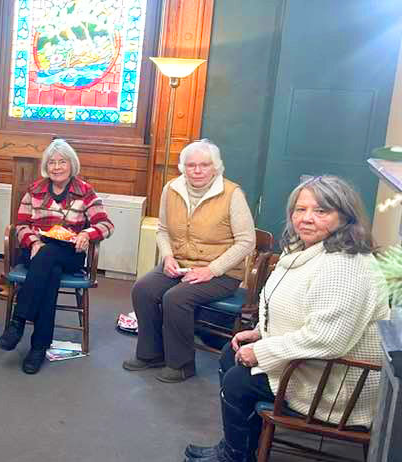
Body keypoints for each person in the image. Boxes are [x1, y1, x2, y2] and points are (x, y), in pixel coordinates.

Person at [184, 176, 389, 462]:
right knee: (228, 358)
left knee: (238, 382)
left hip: (334, 384)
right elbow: (297, 310)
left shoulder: (345, 265)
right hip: (313, 365)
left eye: (321, 211)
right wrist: (259, 333)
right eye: (299, 209)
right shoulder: (308, 251)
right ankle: (236, 449)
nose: (306, 218)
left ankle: (235, 457)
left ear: (345, 216)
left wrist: (262, 351)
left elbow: (328, 339)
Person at [123, 139, 256, 383]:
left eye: (204, 165)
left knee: (176, 298)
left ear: (216, 167)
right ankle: (152, 354)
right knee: (143, 289)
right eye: (191, 165)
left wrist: (211, 270)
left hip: (221, 273)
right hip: (179, 263)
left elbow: (247, 241)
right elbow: (162, 230)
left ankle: (182, 364)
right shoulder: (171, 188)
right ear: (182, 167)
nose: (197, 170)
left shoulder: (232, 194)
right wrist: (167, 257)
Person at [0, 139, 114, 374]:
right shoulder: (34, 190)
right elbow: (21, 225)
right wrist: (34, 241)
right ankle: (38, 347)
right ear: (46, 166)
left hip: (70, 253)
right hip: (38, 249)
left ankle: (18, 322)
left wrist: (88, 234)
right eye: (52, 162)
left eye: (62, 162)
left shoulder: (85, 191)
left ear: (72, 165)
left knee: (50, 259)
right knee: (49, 272)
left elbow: (106, 224)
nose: (57, 167)